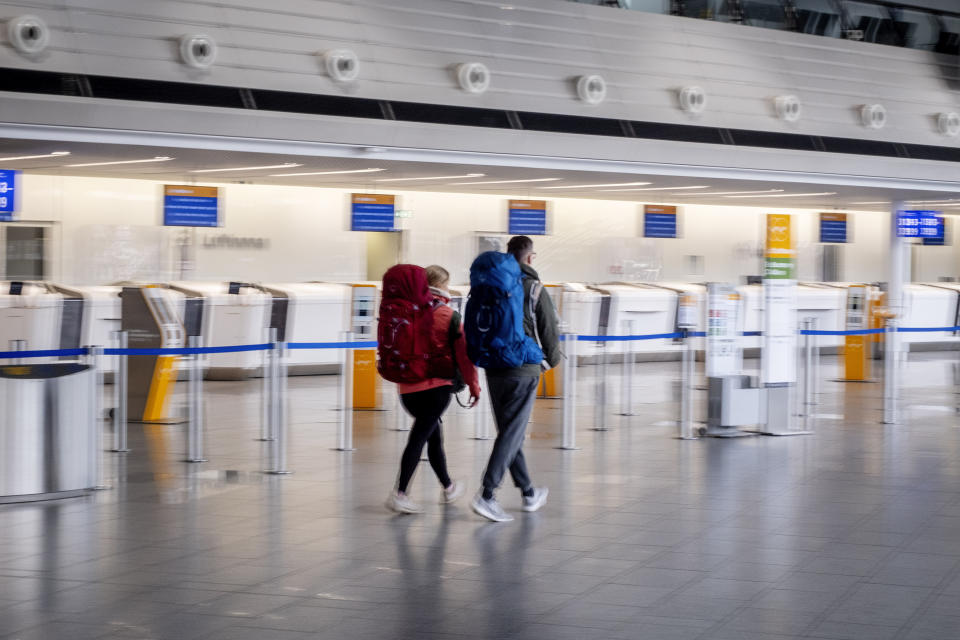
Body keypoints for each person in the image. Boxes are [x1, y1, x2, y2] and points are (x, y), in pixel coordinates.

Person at [471, 236, 562, 522]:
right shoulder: (533, 287)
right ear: (530, 257)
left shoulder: (488, 283)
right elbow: (549, 328)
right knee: (512, 432)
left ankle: (528, 491)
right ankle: (487, 493)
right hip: (523, 368)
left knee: (509, 432)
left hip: (493, 366)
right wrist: (550, 361)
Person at [386, 264, 481, 514]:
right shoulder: (448, 315)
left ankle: (448, 487)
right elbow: (464, 355)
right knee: (419, 438)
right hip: (435, 390)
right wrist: (474, 385)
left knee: (433, 436)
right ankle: (400, 493)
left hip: (407, 389)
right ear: (441, 286)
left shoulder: (405, 311)